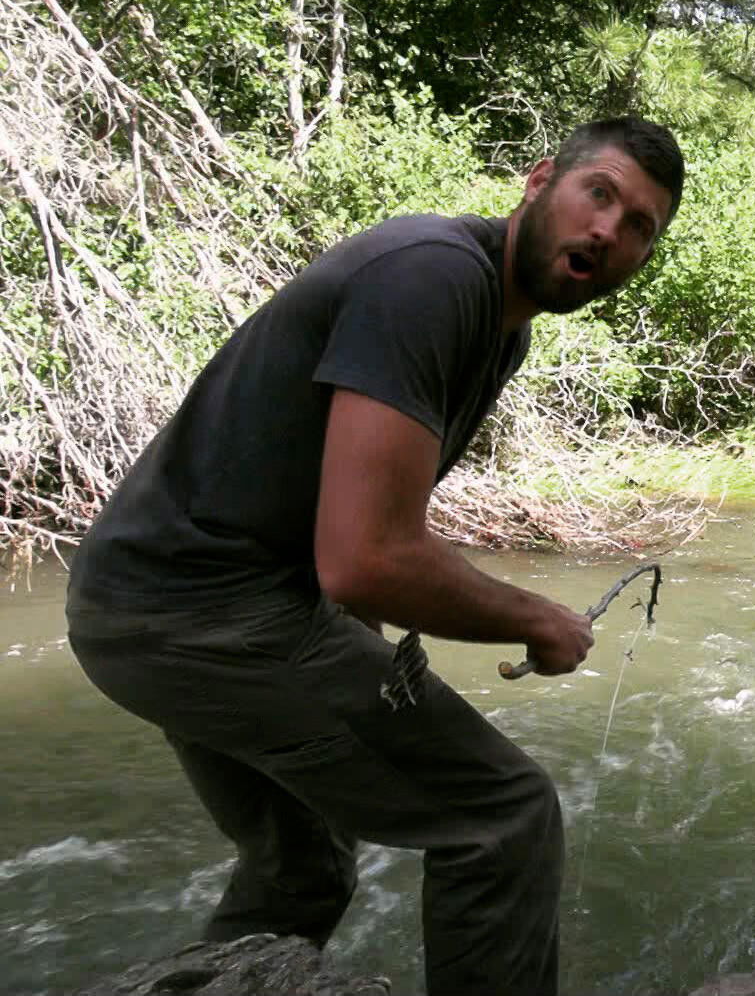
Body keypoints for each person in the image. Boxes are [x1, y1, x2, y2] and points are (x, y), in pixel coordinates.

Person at [63, 116, 684, 996]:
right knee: (503, 818)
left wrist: (367, 647)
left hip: (145, 605)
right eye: (601, 194)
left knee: (302, 866)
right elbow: (367, 559)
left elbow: (343, 530)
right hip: (195, 608)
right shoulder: (433, 279)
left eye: (639, 228)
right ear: (540, 181)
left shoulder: (498, 325)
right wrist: (539, 619)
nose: (607, 231)